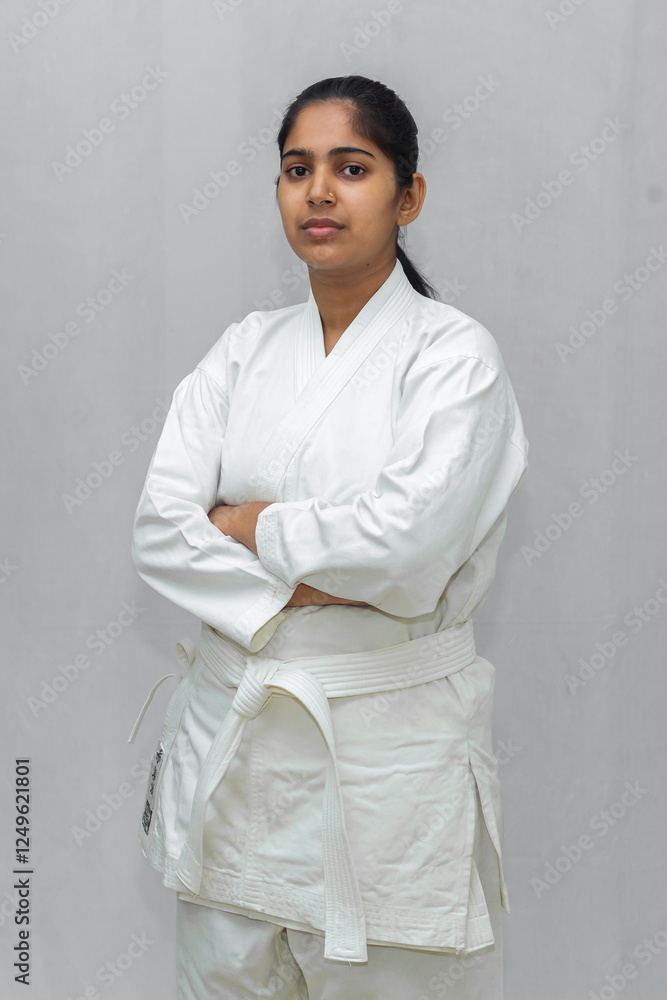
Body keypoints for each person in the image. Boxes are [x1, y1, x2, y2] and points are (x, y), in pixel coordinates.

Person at [127, 74, 529, 1000]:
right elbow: (158, 532)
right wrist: (325, 579)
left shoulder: (453, 357)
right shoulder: (242, 350)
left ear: (407, 195)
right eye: (295, 168)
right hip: (237, 759)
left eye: (351, 168)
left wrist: (246, 526)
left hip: (383, 769)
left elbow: (410, 546)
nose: (318, 191)